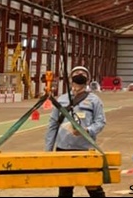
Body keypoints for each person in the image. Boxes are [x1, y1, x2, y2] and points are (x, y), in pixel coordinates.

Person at [45, 66, 107, 198]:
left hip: (86, 150)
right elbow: (52, 125)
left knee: (94, 187)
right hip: (63, 149)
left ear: (87, 80)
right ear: (70, 79)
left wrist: (87, 130)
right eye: (76, 73)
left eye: (83, 73)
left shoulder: (94, 100)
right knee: (65, 189)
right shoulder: (61, 100)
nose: (79, 74)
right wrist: (48, 151)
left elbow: (100, 122)